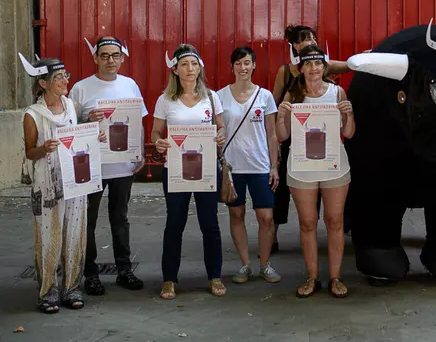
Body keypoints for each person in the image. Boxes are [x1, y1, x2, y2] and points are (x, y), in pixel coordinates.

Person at [20, 54, 105, 313]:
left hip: (74, 181)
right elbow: (30, 152)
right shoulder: (32, 115)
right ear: (43, 83)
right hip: (46, 186)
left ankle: (71, 287)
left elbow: (76, 139)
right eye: (58, 77)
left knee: (75, 235)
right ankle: (48, 291)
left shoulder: (71, 106)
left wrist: (93, 133)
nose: (65, 80)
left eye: (65, 75)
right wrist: (44, 148)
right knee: (48, 237)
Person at [275, 45, 355, 298]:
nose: (313, 69)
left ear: (325, 67)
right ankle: (312, 277)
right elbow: (283, 136)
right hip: (302, 169)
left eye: (318, 63)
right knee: (308, 223)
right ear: (301, 68)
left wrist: (349, 114)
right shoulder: (293, 95)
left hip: (334, 167)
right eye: (308, 64)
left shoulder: (337, 92)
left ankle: (335, 277)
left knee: (335, 221)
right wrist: (280, 117)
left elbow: (349, 133)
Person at [69, 36, 147, 295]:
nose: (110, 60)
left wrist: (140, 152)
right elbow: (70, 128)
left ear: (122, 58)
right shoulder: (81, 88)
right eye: (104, 55)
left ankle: (124, 270)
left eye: (115, 55)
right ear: (95, 58)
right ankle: (90, 273)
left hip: (122, 166)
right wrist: (87, 119)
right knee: (88, 220)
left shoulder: (130, 85)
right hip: (91, 166)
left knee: (120, 218)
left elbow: (138, 122)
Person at [151, 44, 227, 299]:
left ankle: (215, 275)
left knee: (210, 224)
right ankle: (169, 279)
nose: (190, 68)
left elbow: (221, 129)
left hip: (206, 168)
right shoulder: (165, 100)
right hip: (175, 169)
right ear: (175, 69)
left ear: (200, 67)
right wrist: (159, 142)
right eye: (184, 64)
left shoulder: (212, 97)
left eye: (194, 63)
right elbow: (155, 133)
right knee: (174, 224)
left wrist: (219, 137)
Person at [271, 25, 351, 250]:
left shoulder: (321, 65)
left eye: (313, 38)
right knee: (284, 189)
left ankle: (318, 231)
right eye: (305, 39)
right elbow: (274, 103)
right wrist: (278, 134)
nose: (309, 42)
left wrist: (363, 59)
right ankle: (274, 233)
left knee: (322, 187)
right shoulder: (285, 71)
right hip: (292, 139)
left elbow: (347, 65)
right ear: (295, 46)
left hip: (323, 140)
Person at [217, 46, 282, 284]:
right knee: (237, 214)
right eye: (238, 63)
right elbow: (217, 130)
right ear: (232, 67)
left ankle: (265, 264)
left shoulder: (264, 97)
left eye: (247, 63)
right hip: (233, 168)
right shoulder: (220, 96)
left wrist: (274, 166)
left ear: (254, 65)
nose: (243, 68)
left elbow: (272, 134)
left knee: (266, 217)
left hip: (260, 166)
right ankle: (245, 265)